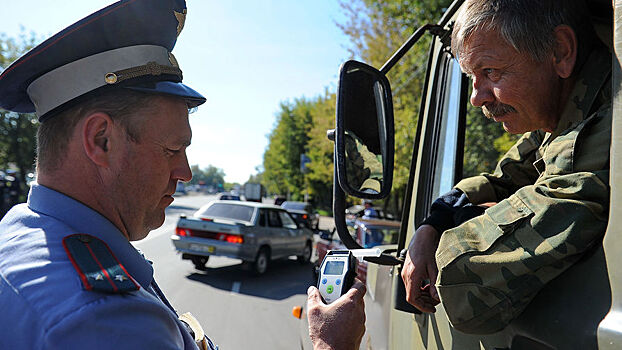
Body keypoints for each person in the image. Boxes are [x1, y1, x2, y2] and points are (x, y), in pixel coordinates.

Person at [0, 1, 365, 349]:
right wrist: (331, 345)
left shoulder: (18, 233)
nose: (185, 173)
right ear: (101, 140)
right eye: (172, 150)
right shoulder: (110, 321)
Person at [401, 0, 611, 334]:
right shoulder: (561, 114)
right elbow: (506, 178)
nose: (476, 97)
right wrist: (435, 221)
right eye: (471, 77)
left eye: (490, 72)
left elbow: (466, 287)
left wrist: (450, 237)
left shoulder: (607, 120)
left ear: (560, 51)